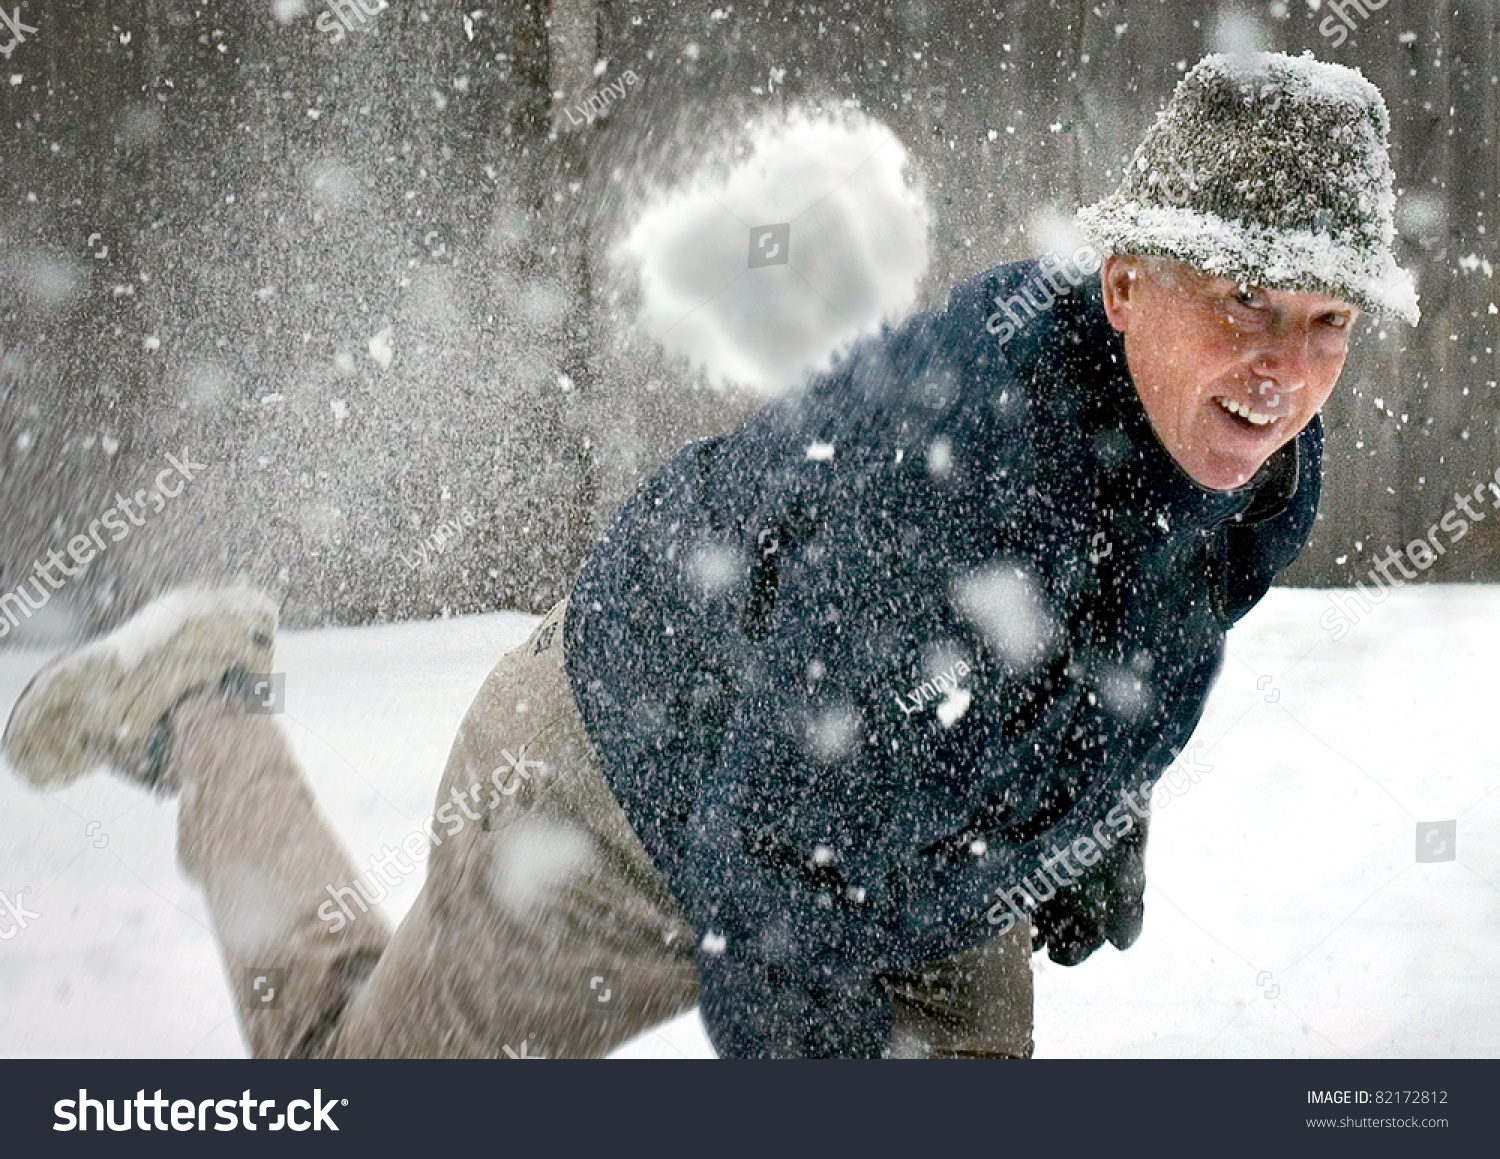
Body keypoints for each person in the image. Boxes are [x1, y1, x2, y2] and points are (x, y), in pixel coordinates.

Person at [3, 51, 1419, 1059]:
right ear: (1125, 282)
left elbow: (1133, 616)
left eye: (1327, 322)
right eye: (1245, 300)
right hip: (623, 786)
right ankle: (205, 706)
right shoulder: (952, 488)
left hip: (909, 837)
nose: (1282, 370)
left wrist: (1104, 807)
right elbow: (775, 880)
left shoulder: (1252, 472)